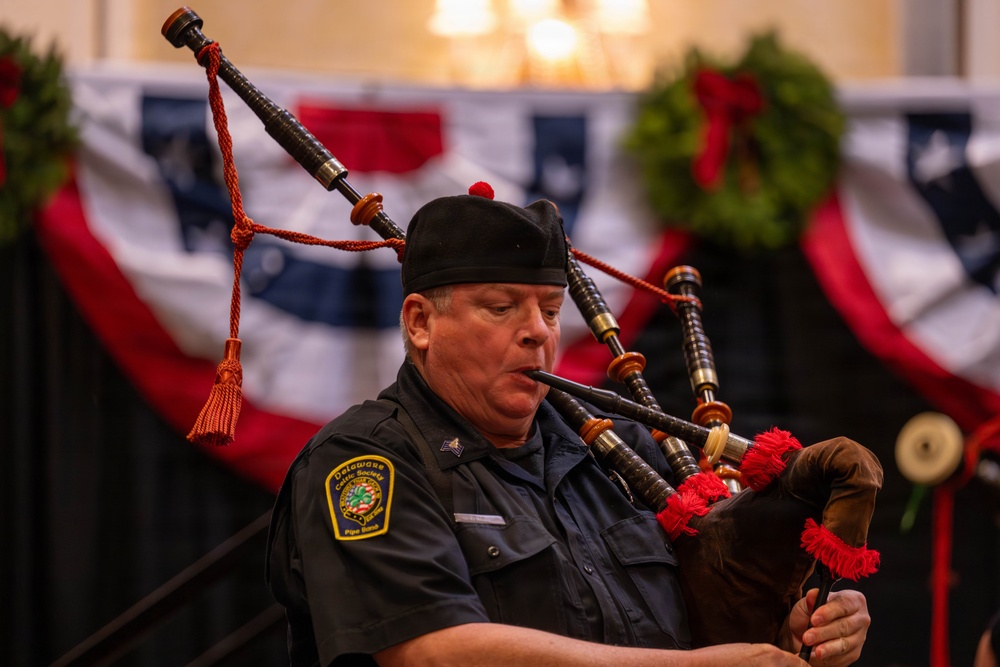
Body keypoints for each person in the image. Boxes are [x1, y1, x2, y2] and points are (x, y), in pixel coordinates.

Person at [265, 186, 871, 666]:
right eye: (502, 308)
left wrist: (789, 629)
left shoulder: (619, 449)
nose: (538, 332)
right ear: (421, 322)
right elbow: (428, 651)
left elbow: (699, 612)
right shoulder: (367, 461)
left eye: (551, 311)